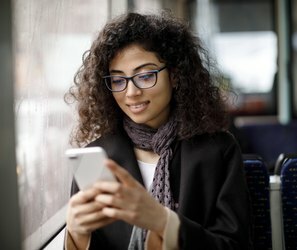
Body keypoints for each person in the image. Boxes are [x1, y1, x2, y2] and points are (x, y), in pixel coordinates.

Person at [64, 11, 251, 250]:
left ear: (174, 76)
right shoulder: (95, 157)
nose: (131, 92)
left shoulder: (218, 150)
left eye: (145, 76)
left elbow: (235, 245)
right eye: (118, 80)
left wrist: (163, 222)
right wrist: (77, 235)